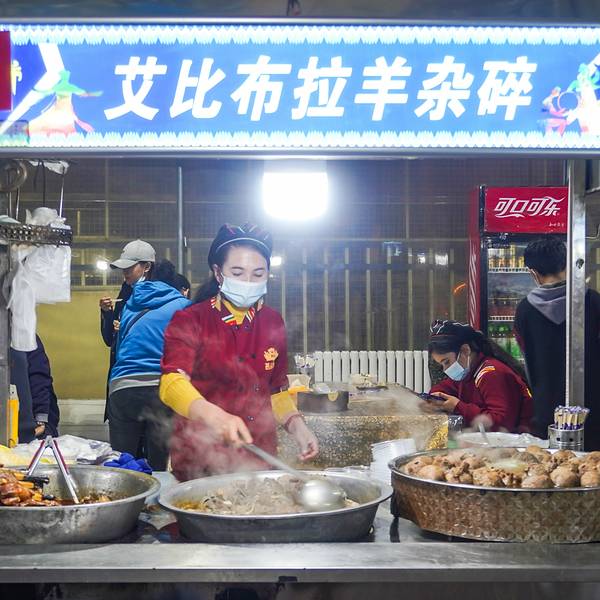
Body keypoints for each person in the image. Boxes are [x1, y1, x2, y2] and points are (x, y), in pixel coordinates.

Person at [159, 223, 319, 481]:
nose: (248, 282)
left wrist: (296, 424)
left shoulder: (273, 321)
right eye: (237, 272)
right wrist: (214, 416)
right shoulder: (190, 320)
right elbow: (171, 383)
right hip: (200, 460)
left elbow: (275, 391)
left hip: (259, 458)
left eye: (258, 274)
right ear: (218, 273)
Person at [515, 238, 600, 449]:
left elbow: (525, 353)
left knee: (553, 465)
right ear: (566, 264)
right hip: (594, 410)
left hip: (547, 411)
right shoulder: (594, 301)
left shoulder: (524, 310)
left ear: (533, 273)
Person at [108, 259, 191, 470]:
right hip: (159, 387)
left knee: (123, 462)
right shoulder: (182, 305)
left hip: (121, 386)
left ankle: (124, 489)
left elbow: (119, 346)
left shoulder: (130, 304)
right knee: (158, 465)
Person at [425, 320, 533, 433]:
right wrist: (433, 399)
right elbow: (444, 387)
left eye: (447, 362)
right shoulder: (468, 372)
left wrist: (457, 406)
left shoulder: (492, 373)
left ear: (465, 350)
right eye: (442, 365)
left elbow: (501, 423)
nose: (445, 370)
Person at [99, 239, 156, 420]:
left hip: (148, 382)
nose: (125, 273)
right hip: (123, 379)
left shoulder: (160, 295)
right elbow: (110, 339)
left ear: (147, 267)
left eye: (130, 267)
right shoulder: (126, 290)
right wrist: (107, 313)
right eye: (123, 268)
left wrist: (129, 328)